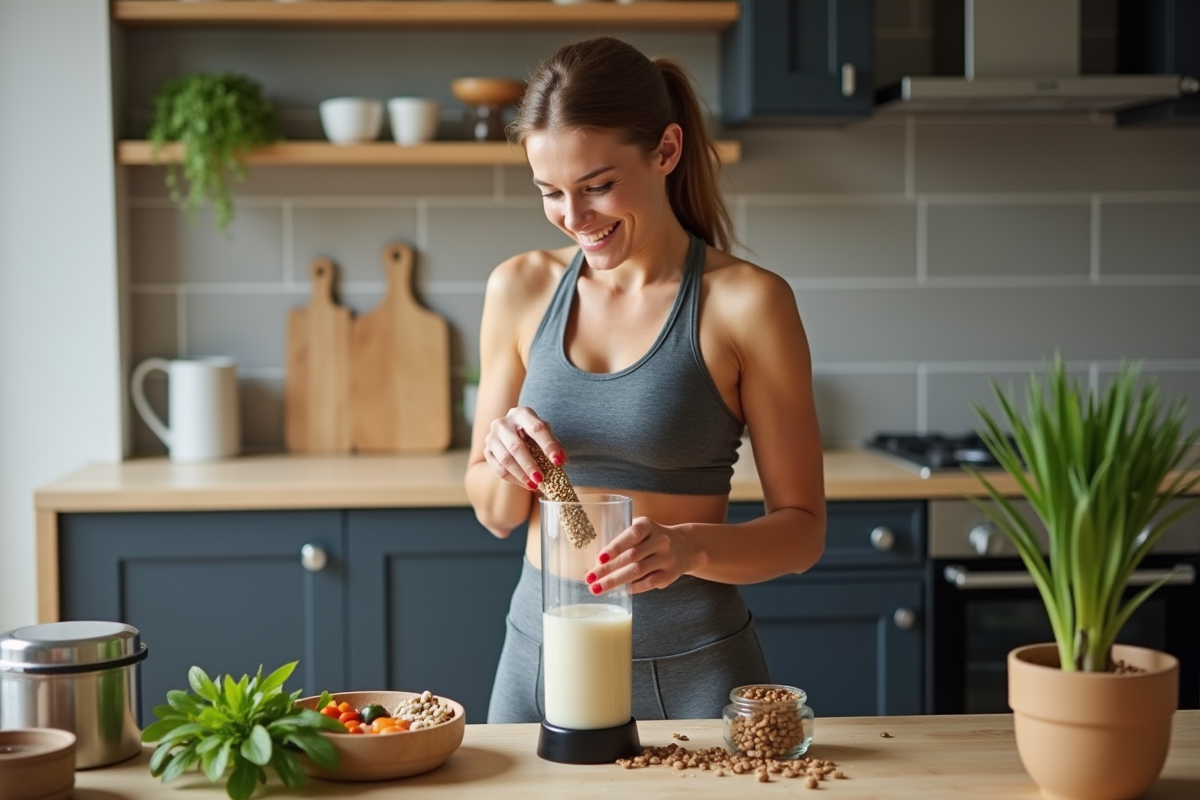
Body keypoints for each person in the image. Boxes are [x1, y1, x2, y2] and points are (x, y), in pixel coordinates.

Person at [464, 36, 826, 723]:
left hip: (692, 670)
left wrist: (689, 547)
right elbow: (495, 512)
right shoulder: (518, 288)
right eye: (550, 193)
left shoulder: (748, 303)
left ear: (665, 150)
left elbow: (803, 534)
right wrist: (509, 465)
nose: (575, 219)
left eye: (598, 186)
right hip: (538, 659)